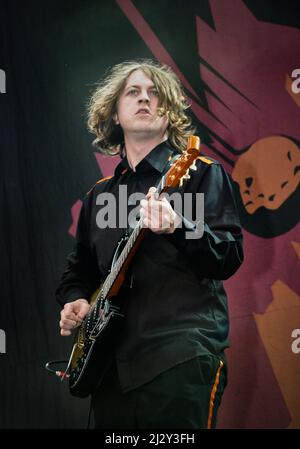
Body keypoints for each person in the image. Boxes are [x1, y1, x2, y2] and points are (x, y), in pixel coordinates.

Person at [56, 59, 244, 429]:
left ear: (170, 111)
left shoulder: (200, 173)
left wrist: (179, 224)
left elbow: (229, 255)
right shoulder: (98, 196)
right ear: (114, 113)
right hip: (110, 370)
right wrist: (75, 300)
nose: (145, 99)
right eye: (134, 92)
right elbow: (78, 271)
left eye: (155, 93)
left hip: (180, 358)